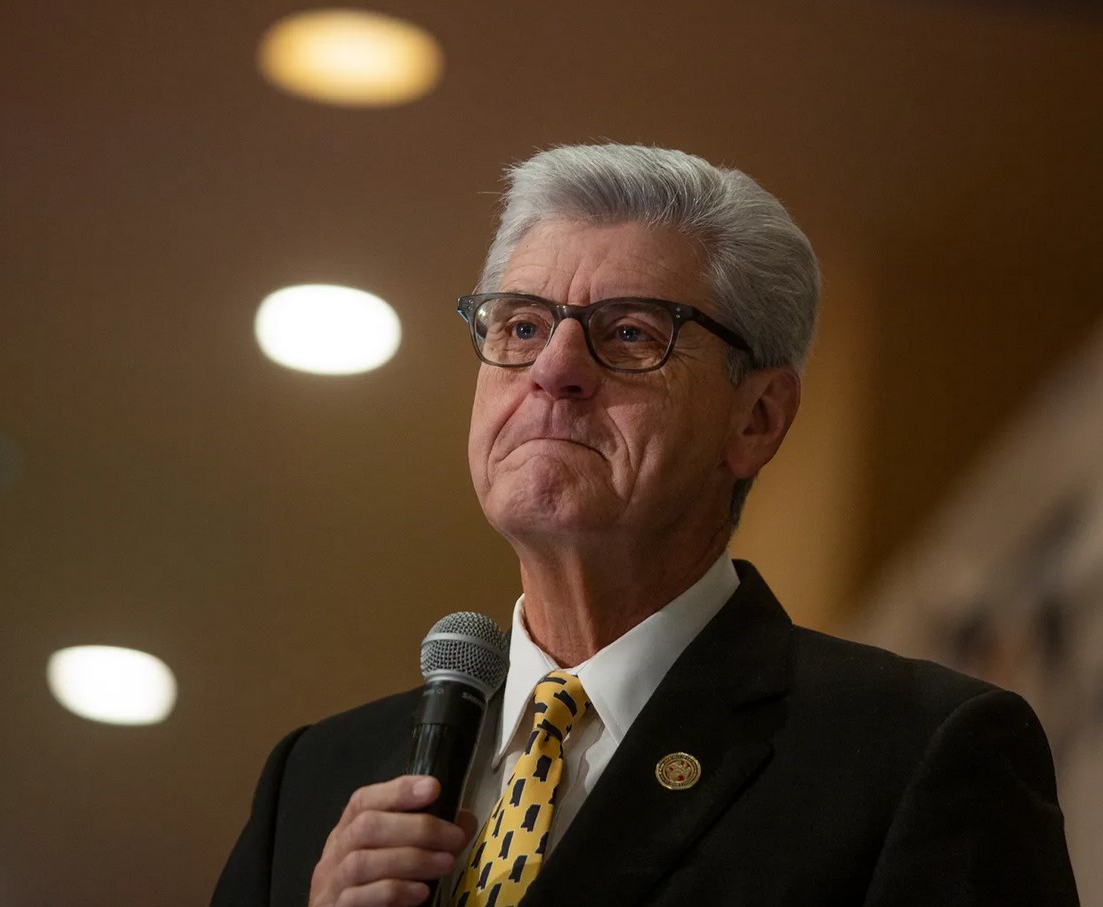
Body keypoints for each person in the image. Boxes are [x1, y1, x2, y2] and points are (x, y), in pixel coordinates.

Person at [211, 145, 1078, 906]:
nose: (554, 368)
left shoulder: (914, 755)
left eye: (629, 334)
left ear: (757, 419)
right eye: (522, 324)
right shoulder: (314, 780)